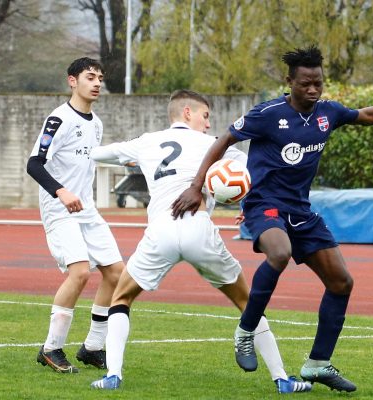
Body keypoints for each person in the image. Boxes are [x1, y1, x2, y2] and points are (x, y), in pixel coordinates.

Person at [171, 46, 373, 393]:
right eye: (305, 83)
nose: (313, 90)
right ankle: (246, 331)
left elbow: (368, 115)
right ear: (289, 81)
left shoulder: (327, 113)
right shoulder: (267, 114)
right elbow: (224, 139)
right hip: (264, 205)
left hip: (301, 211)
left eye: (318, 83)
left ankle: (317, 364)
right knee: (279, 253)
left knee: (341, 282)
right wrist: (197, 185)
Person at [88, 89, 312, 394]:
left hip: (161, 231)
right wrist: (251, 207)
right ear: (187, 113)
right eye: (205, 116)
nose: (208, 124)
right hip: (199, 230)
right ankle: (282, 378)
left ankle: (113, 374)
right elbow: (252, 173)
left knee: (121, 299)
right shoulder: (213, 145)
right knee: (247, 302)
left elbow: (98, 153)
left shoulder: (145, 142)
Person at [26, 57, 125, 373]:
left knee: (116, 273)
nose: (96, 83)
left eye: (100, 77)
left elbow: (90, 157)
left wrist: (128, 161)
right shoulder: (58, 119)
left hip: (87, 210)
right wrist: (61, 191)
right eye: (89, 77)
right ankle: (51, 348)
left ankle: (93, 347)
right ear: (72, 81)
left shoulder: (95, 123)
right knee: (80, 272)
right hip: (60, 210)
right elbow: (34, 164)